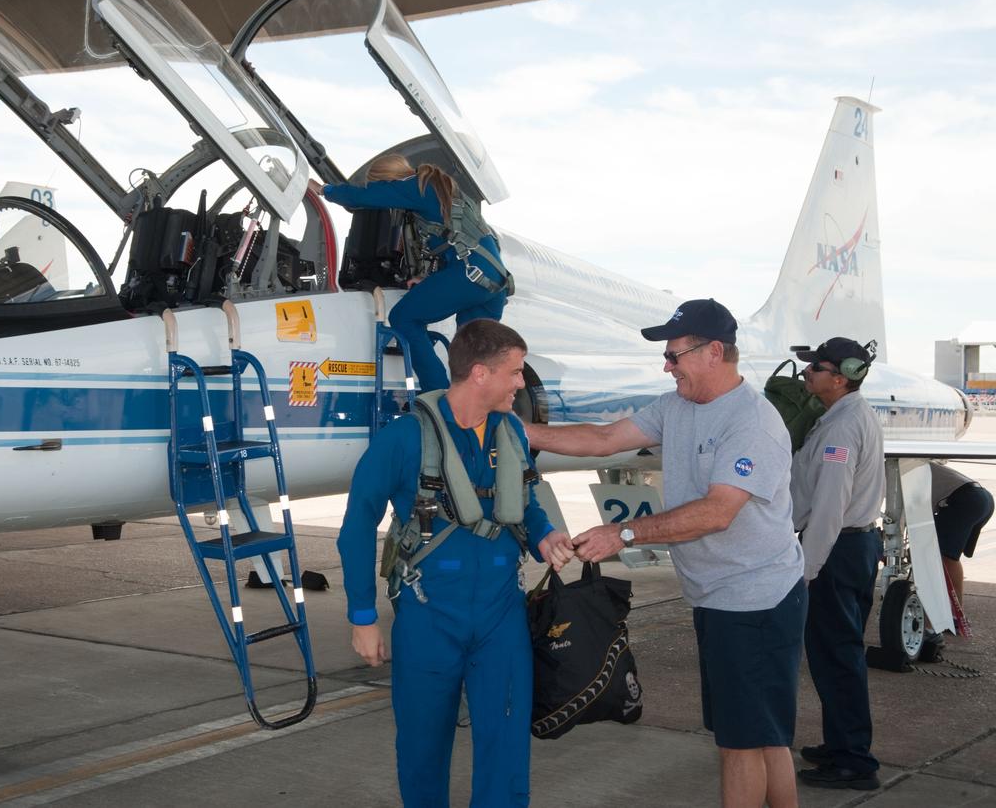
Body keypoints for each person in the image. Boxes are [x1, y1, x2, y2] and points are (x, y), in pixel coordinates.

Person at [524, 298, 806, 808]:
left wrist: (623, 534)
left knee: (740, 745)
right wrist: (524, 432)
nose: (667, 366)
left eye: (676, 355)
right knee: (764, 736)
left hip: (755, 603)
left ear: (714, 352)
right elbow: (606, 439)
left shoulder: (752, 423)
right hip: (721, 598)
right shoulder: (677, 406)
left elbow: (717, 511)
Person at [336, 318, 575, 808]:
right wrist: (362, 615)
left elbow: (523, 503)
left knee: (506, 746)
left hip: (500, 615)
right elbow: (357, 526)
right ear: (481, 374)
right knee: (423, 749)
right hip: (428, 614)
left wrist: (546, 537)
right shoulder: (403, 438)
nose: (520, 383)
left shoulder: (510, 431)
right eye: (514, 372)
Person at [310, 155, 510, 393]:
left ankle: (435, 391)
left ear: (387, 179)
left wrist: (324, 189)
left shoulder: (416, 186)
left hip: (471, 275)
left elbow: (363, 197)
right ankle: (477, 410)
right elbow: (456, 246)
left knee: (404, 317)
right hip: (493, 282)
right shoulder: (440, 189)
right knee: (471, 355)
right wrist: (428, 279)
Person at [787, 337, 884, 791]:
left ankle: (852, 760)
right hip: (851, 547)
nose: (806, 375)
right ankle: (842, 742)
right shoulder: (845, 415)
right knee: (836, 654)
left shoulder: (842, 429)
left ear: (840, 377)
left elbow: (828, 508)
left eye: (814, 369)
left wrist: (805, 572)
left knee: (837, 657)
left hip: (837, 550)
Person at [931, 461, 994, 614]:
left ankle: (955, 612)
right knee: (947, 555)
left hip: (966, 500)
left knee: (946, 557)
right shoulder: (911, 463)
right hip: (983, 497)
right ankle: (953, 609)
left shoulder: (892, 472)